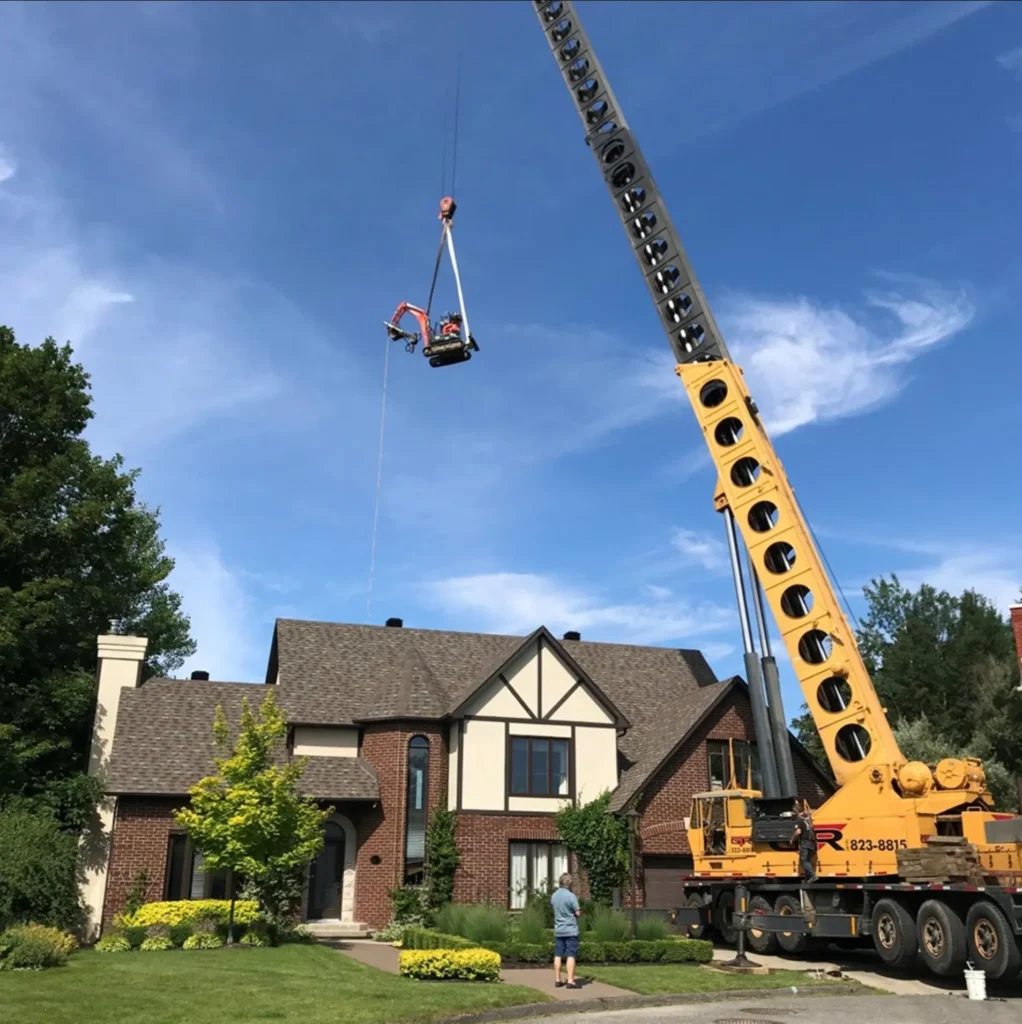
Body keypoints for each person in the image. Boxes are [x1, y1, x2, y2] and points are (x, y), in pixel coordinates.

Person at [550, 872, 582, 989]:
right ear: (569, 883)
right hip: (570, 929)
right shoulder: (571, 896)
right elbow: (577, 912)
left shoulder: (554, 896)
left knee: (558, 954)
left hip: (559, 929)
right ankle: (570, 981)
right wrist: (576, 913)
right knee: (571, 954)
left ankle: (557, 979)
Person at [792, 805, 818, 884]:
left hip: (805, 843)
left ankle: (813, 876)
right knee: (807, 861)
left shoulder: (799, 819)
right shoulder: (808, 818)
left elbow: (798, 832)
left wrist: (792, 839)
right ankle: (807, 878)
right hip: (812, 843)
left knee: (803, 861)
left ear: (796, 811)